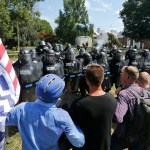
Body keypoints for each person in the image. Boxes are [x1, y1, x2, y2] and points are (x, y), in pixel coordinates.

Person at [5, 74, 85, 150]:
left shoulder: (21, 108)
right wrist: (77, 127)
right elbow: (78, 142)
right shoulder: (62, 116)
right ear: (59, 96)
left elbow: (3, 120)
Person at [70, 63, 117, 150]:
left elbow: (71, 129)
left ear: (86, 80)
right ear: (102, 79)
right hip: (104, 146)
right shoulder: (112, 100)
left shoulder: (79, 104)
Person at [111, 66, 150, 150]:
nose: (120, 75)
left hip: (124, 135)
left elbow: (118, 118)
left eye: (122, 74)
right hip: (142, 134)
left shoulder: (124, 94)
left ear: (127, 77)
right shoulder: (145, 91)